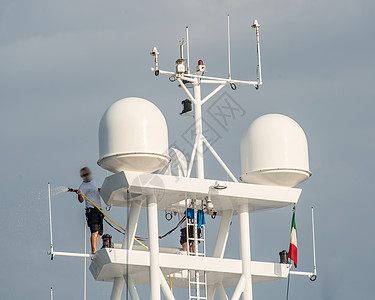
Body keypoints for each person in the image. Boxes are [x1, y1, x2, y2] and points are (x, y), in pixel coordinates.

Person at [75, 167, 103, 255]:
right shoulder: (82, 186)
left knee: (98, 233)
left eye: (86, 174)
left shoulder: (93, 182)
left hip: (99, 210)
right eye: (83, 175)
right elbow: (81, 200)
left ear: (89, 174)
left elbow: (94, 191)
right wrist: (79, 195)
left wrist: (99, 190)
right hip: (91, 210)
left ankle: (95, 250)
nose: (85, 177)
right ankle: (93, 251)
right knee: (94, 231)